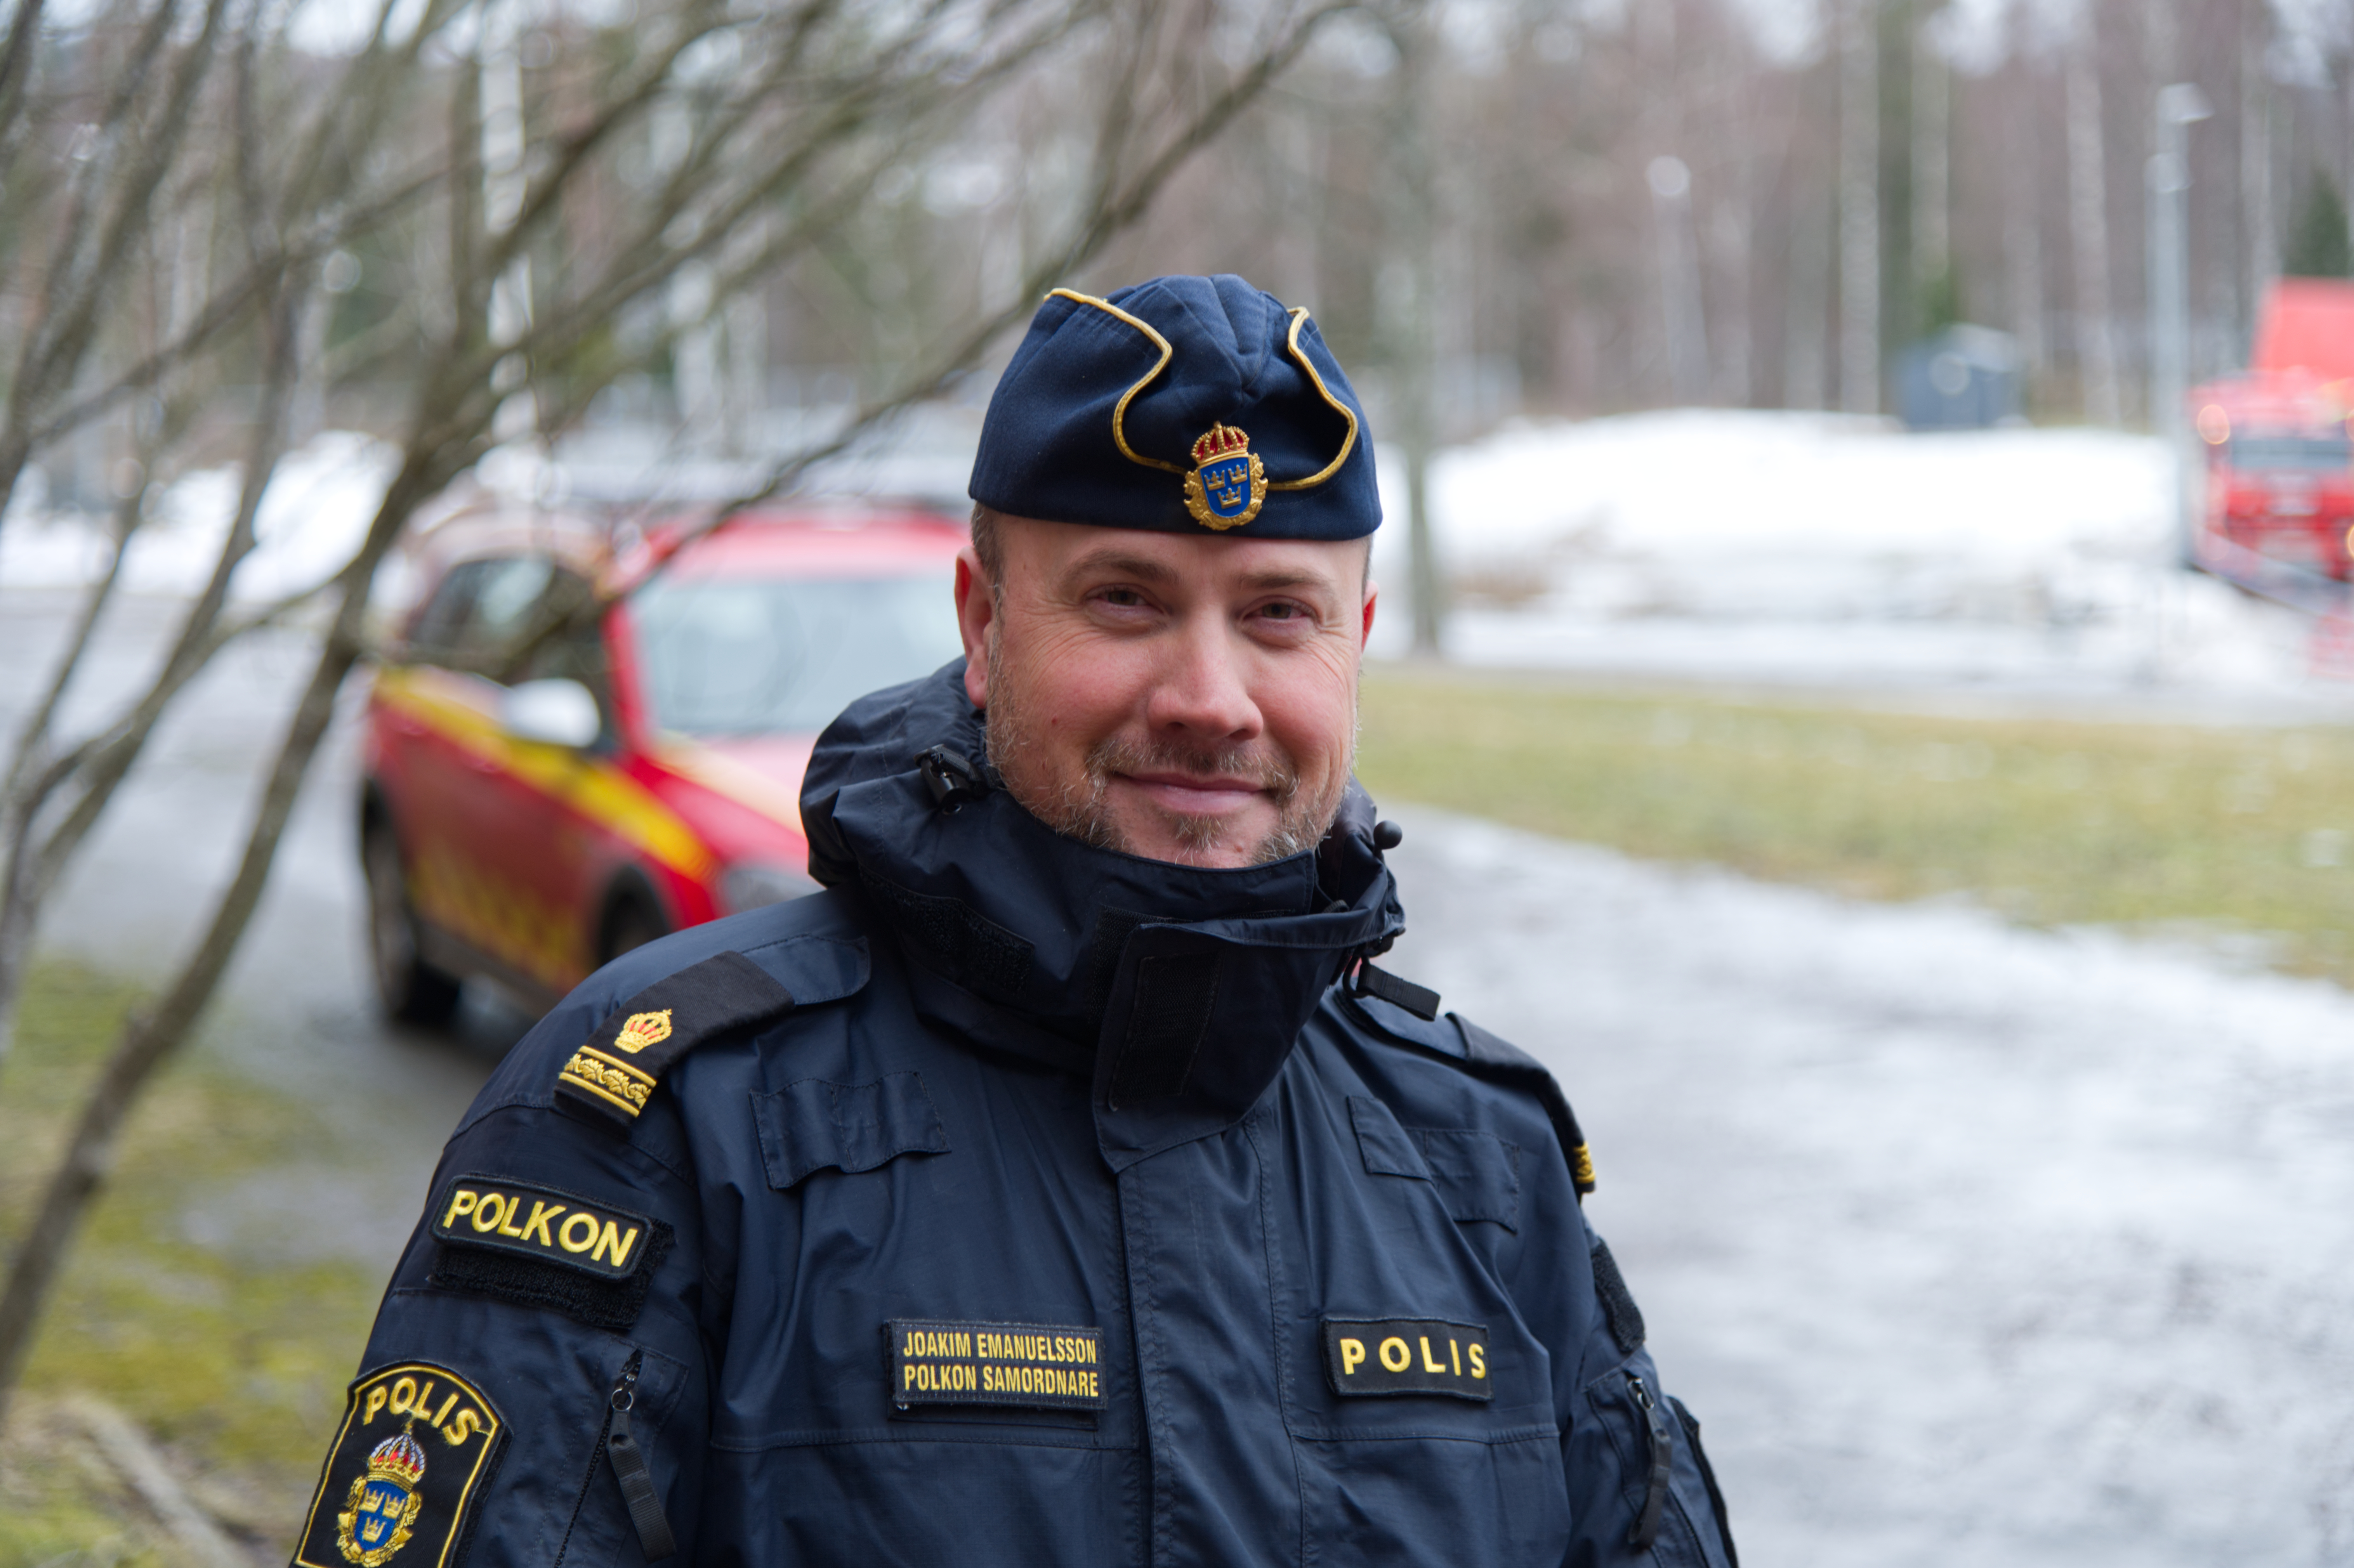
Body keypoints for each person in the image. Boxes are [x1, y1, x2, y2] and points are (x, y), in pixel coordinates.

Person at [290, 274, 1737, 1568]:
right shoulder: (666, 1124)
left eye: (1278, 614)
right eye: (1125, 601)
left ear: (1354, 645)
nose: (1209, 697)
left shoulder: (1482, 1157)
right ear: (985, 627)